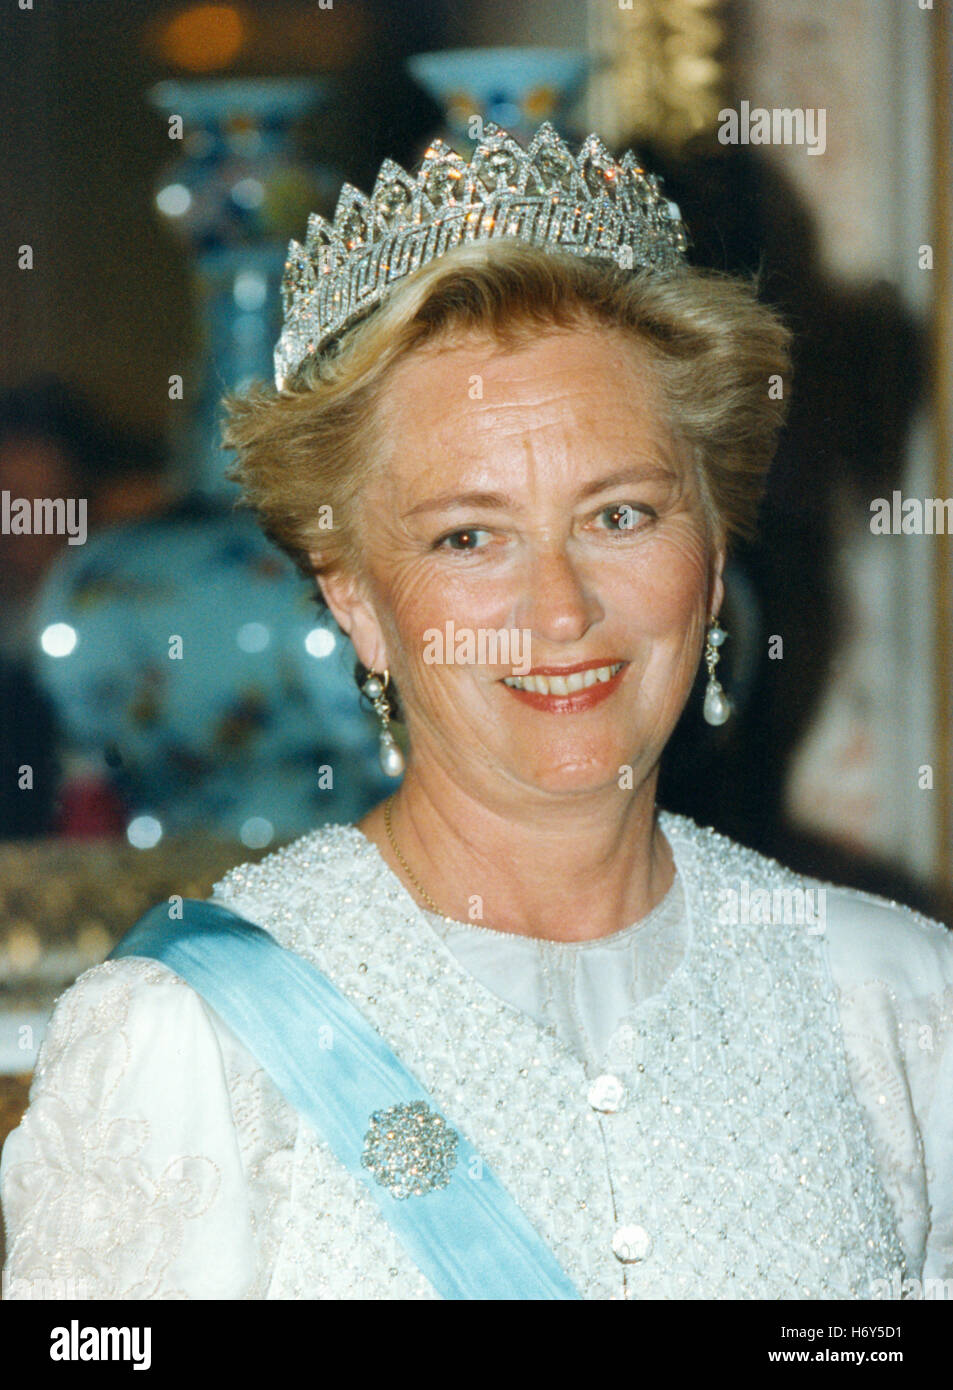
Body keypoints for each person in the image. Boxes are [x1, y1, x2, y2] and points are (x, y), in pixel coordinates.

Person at [1, 122, 950, 1301]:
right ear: (353, 596)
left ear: (711, 556)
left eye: (620, 515)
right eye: (468, 536)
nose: (558, 612)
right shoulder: (194, 1038)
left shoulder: (896, 1007)